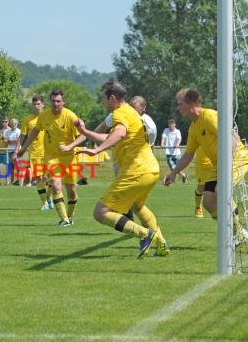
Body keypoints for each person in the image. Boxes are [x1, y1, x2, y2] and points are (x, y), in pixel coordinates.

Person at [75, 80, 169, 258]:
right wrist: (86, 132)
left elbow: (119, 133)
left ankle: (145, 234)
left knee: (100, 212)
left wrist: (96, 150)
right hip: (150, 169)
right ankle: (162, 243)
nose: (101, 102)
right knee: (137, 206)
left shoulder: (119, 113)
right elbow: (111, 135)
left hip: (136, 171)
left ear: (112, 98)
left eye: (102, 98)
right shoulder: (130, 112)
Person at [163, 88, 248, 243]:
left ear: (192, 103)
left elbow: (233, 139)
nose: (179, 107)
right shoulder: (193, 128)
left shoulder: (210, 116)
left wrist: (226, 164)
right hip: (220, 164)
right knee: (208, 203)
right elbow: (188, 154)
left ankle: (238, 234)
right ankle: (239, 231)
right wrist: (174, 172)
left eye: (181, 104)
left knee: (220, 190)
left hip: (236, 159)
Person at [17, 90, 85, 226]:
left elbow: (83, 135)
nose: (55, 104)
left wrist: (70, 146)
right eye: (53, 101)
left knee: (71, 190)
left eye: (58, 101)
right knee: (55, 184)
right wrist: (23, 148)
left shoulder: (70, 116)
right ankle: (64, 219)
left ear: (63, 102)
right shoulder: (44, 116)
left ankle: (70, 216)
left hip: (70, 157)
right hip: (52, 156)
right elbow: (35, 131)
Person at [21, 95, 52, 210]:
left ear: (43, 104)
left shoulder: (49, 117)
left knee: (52, 178)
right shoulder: (28, 120)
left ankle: (48, 197)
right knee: (39, 179)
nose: (36, 106)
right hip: (35, 154)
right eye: (34, 104)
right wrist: (19, 149)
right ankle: (45, 203)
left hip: (50, 152)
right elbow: (23, 135)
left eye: (38, 104)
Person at [161, 119, 187, 183]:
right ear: (168, 125)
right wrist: (162, 143)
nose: (171, 125)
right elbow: (163, 137)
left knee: (178, 168)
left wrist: (177, 144)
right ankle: (184, 175)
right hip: (169, 153)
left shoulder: (177, 131)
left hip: (177, 153)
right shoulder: (166, 130)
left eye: (172, 124)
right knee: (173, 168)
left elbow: (179, 138)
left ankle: (172, 180)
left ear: (175, 124)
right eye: (170, 124)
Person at [0, 117, 11, 186]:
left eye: (6, 121)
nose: (4, 123)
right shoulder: (0, 131)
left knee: (8, 167)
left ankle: (8, 181)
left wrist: (7, 140)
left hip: (7, 152)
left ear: (8, 122)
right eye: (3, 121)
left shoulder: (10, 130)